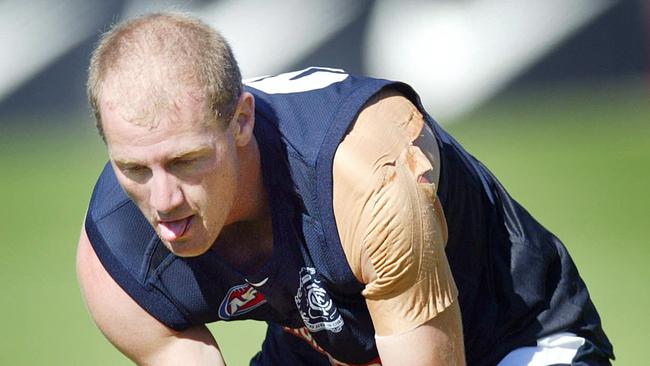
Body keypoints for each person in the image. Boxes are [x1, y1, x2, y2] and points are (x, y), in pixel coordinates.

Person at [76, 12, 613, 366]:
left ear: (241, 121)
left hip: (506, 335)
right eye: (135, 170)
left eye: (186, 160)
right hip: (324, 351)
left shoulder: (362, 173)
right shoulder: (117, 259)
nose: (164, 201)